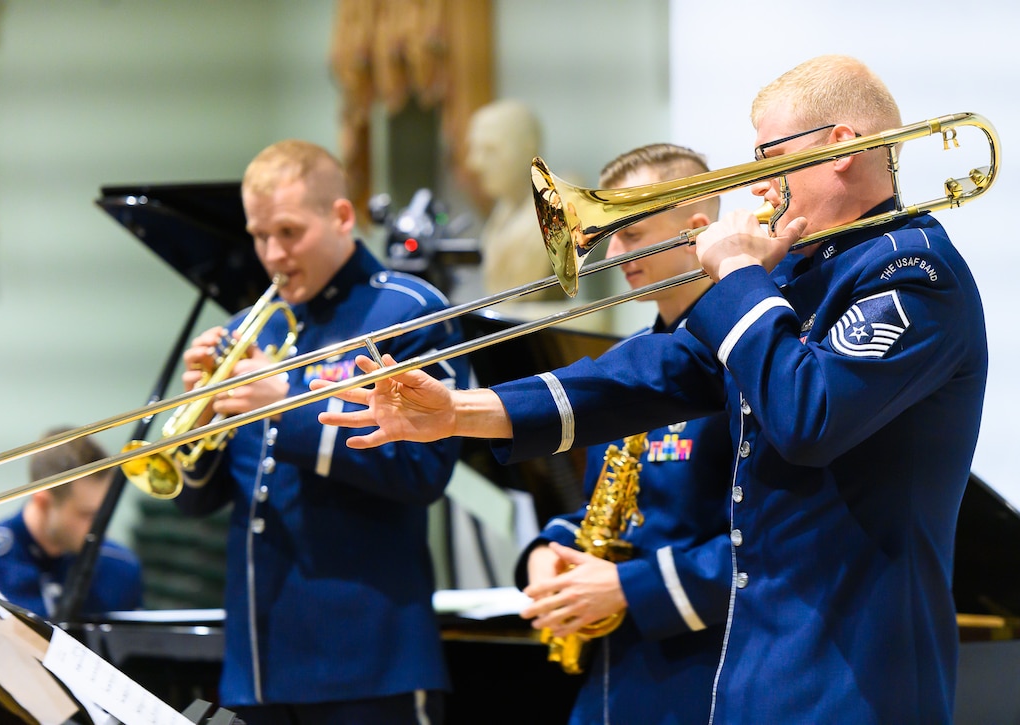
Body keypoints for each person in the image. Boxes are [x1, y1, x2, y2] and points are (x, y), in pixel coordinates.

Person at [316, 55, 987, 723]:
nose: (759, 186)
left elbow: (809, 416)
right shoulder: (800, 278)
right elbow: (653, 373)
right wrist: (458, 411)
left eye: (769, 157)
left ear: (842, 147)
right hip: (756, 669)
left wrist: (738, 276)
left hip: (859, 674)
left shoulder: (914, 275)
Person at [173, 139, 469, 725]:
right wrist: (202, 414)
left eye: (288, 232)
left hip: (368, 665)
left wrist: (286, 405)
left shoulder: (409, 312)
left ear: (340, 217)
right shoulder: (245, 332)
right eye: (259, 236)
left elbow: (423, 472)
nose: (272, 254)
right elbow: (195, 500)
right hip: (256, 669)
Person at [517, 143, 733, 725]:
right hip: (614, 680)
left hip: (704, 679)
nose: (614, 252)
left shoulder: (748, 357)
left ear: (696, 228)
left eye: (631, 233)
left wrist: (630, 588)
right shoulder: (626, 359)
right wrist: (549, 553)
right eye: (609, 234)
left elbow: (768, 546)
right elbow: (601, 508)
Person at [0, 427, 143, 618]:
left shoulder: (122, 568)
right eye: (86, 515)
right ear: (42, 501)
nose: (101, 528)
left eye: (104, 514)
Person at [465, 99, 558, 300]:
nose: (474, 163)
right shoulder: (503, 212)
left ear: (528, 148)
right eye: (474, 149)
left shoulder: (552, 218)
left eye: (490, 149)